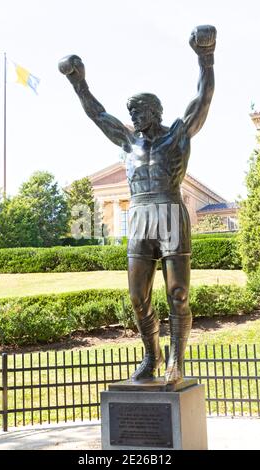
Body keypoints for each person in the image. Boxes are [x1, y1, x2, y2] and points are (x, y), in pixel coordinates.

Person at [59, 25, 216, 383]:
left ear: (155, 111)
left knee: (178, 293)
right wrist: (78, 82)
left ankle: (176, 361)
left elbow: (202, 99)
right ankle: (152, 355)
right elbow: (97, 114)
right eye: (131, 110)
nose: (133, 115)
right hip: (141, 216)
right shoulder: (128, 144)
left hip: (171, 213)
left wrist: (205, 57)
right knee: (137, 297)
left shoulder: (177, 133)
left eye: (139, 110)